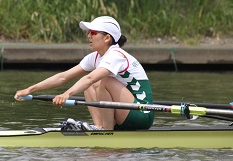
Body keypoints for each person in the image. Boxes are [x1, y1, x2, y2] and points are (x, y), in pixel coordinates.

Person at [14, 16, 154, 130]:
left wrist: (67, 94)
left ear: (107, 38)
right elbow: (63, 77)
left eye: (93, 32)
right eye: (88, 32)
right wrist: (30, 89)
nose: (88, 36)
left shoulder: (116, 55)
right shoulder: (95, 57)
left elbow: (91, 78)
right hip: (125, 111)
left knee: (101, 81)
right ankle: (99, 126)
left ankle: (106, 130)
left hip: (142, 112)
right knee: (89, 84)